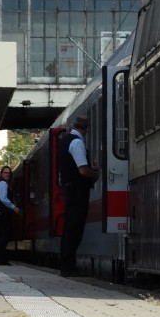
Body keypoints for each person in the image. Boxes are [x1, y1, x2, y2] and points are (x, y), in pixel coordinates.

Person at [58, 115, 99, 276]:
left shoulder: (64, 141)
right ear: (85, 129)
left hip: (69, 189)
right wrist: (94, 173)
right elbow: (82, 170)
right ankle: (69, 267)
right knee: (75, 229)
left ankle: (66, 265)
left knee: (69, 228)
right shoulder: (77, 143)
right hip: (78, 190)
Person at [0, 166, 19, 266]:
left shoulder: (2, 183)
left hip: (3, 212)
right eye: (5, 172)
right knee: (4, 235)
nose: (7, 174)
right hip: (4, 212)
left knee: (2, 235)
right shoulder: (3, 183)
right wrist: (14, 207)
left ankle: (0, 258)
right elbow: (3, 199)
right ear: (1, 173)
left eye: (8, 173)